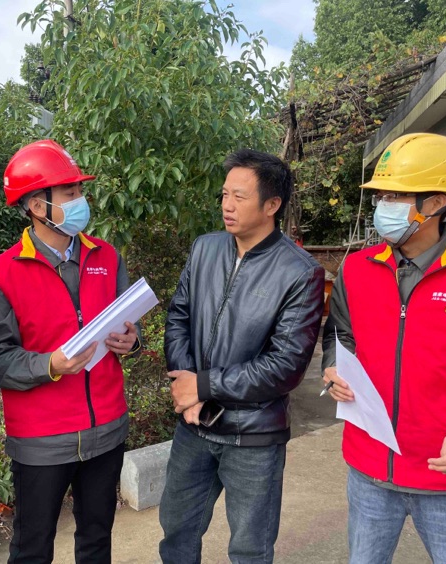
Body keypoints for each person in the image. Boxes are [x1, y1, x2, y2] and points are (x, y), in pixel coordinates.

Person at [322, 133, 446, 564]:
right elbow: (341, 335)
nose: (383, 206)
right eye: (381, 196)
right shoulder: (356, 269)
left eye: (396, 196)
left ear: (436, 203)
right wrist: (335, 365)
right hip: (370, 470)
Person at [0, 139, 139, 564]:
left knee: (97, 540)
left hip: (106, 431)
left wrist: (132, 342)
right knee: (32, 548)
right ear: (36, 205)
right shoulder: (3, 273)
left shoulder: (107, 257)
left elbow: (127, 324)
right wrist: (50, 364)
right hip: (41, 441)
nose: (81, 201)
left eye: (79, 191)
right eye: (69, 192)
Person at [159, 148, 325, 563]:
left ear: (272, 205)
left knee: (250, 548)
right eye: (224, 194)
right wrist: (187, 385)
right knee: (176, 532)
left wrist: (203, 385)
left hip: (252, 436)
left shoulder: (300, 272)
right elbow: (179, 317)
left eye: (239, 196)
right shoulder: (205, 249)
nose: (227, 205)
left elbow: (285, 366)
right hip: (194, 427)